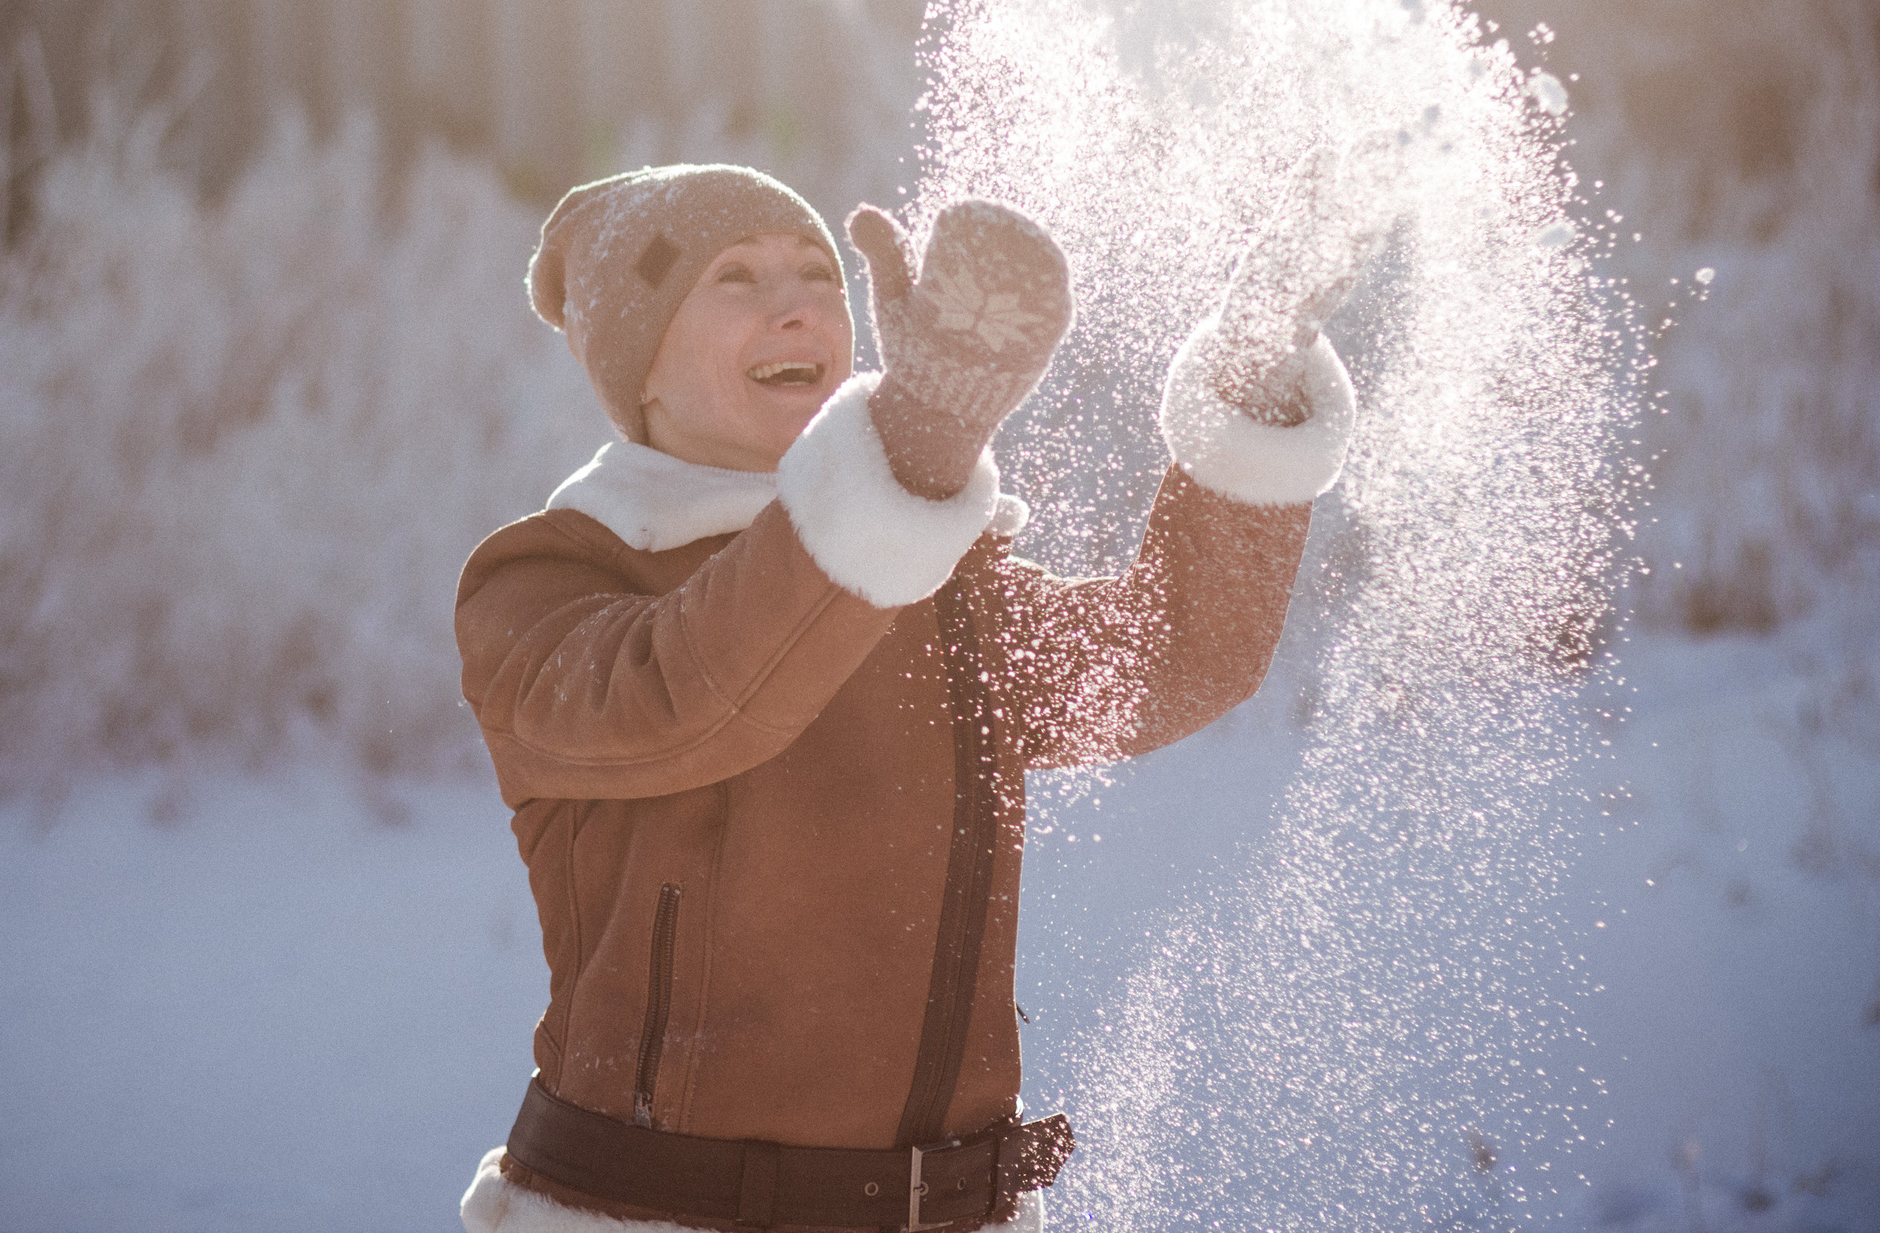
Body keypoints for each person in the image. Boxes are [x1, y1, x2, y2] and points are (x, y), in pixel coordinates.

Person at [454, 163, 1357, 1233]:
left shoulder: (936, 590)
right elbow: (689, 699)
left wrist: (1253, 380)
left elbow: (1170, 654)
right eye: (733, 277)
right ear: (639, 357)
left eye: (815, 274)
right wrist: (912, 447)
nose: (795, 301)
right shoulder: (545, 585)